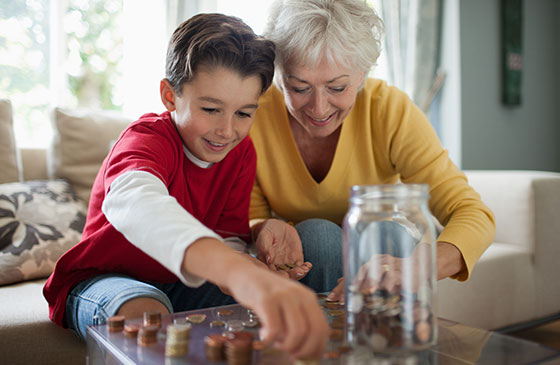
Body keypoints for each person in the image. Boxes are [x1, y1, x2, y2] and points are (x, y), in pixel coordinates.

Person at [43, 13, 328, 359]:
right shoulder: (145, 141)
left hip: (181, 284)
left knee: (269, 308)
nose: (227, 130)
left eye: (243, 113)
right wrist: (235, 271)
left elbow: (227, 235)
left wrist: (248, 264)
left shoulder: (241, 154)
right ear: (169, 95)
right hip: (104, 280)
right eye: (211, 108)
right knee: (147, 312)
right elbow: (139, 204)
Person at [249, 0, 496, 299]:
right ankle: (325, 341)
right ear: (278, 75)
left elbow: (471, 212)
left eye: (338, 88)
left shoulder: (389, 110)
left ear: (362, 73)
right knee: (318, 236)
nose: (319, 108)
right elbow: (250, 218)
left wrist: (420, 266)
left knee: (384, 233)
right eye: (300, 88)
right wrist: (264, 228)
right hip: (310, 254)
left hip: (383, 247)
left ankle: (376, 340)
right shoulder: (254, 115)